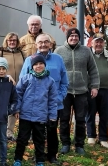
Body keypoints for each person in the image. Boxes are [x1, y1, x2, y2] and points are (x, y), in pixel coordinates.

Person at [20, 34, 68, 164]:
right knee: (37, 133)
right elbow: (22, 81)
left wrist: (59, 97)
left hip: (54, 104)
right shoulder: (29, 60)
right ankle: (38, 155)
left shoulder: (58, 59)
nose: (43, 44)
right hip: (35, 105)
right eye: (40, 42)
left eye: (46, 42)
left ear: (51, 44)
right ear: (36, 44)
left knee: (52, 130)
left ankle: (52, 155)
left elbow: (64, 82)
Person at [54, 28, 99, 155]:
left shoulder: (86, 51)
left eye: (76, 36)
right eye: (71, 36)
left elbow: (93, 70)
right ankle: (65, 144)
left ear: (79, 38)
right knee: (64, 119)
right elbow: (55, 71)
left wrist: (94, 86)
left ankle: (79, 145)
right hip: (64, 92)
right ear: (67, 37)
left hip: (81, 91)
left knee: (80, 119)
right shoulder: (59, 51)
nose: (73, 38)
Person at [13, 54, 58, 166]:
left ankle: (40, 160)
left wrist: (52, 116)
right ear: (32, 66)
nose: (38, 66)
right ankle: (18, 159)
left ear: (44, 65)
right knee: (22, 138)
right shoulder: (25, 78)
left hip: (41, 116)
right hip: (25, 115)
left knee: (39, 139)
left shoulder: (50, 81)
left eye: (41, 64)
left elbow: (53, 101)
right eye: (36, 64)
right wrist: (16, 109)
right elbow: (18, 95)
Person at [86, 33, 108, 149]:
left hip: (106, 89)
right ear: (92, 43)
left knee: (105, 115)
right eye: (96, 41)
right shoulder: (87, 54)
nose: (98, 44)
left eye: (101, 41)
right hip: (91, 89)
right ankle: (91, 136)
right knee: (90, 113)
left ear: (103, 43)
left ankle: (103, 138)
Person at [0, 32, 25, 141]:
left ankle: (9, 132)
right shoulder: (0, 53)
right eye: (10, 40)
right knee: (2, 108)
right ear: (6, 41)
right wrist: (6, 76)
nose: (12, 42)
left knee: (14, 108)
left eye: (14, 40)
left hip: (18, 86)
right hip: (4, 85)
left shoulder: (21, 53)